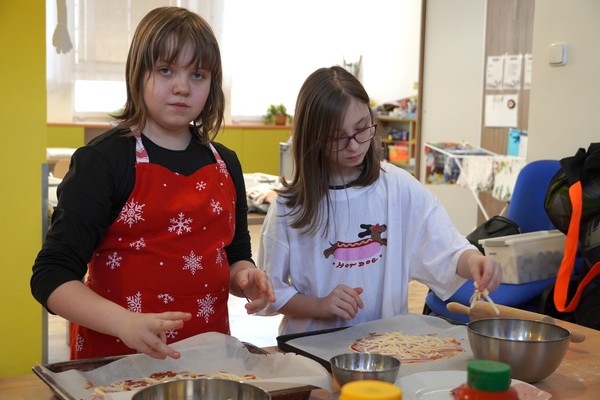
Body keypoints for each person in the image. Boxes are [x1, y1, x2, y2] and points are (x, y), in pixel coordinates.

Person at [31, 6, 274, 360]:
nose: (182, 87)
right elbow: (51, 276)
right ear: (137, 73)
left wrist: (245, 277)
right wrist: (124, 323)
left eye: (198, 74)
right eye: (165, 70)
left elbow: (235, 256)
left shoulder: (225, 162)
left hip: (208, 359)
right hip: (116, 362)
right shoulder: (104, 161)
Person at [257, 66, 502, 335]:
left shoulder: (398, 186)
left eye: (362, 128)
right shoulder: (289, 206)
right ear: (312, 137)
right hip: (309, 346)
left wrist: (474, 261)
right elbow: (271, 292)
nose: (354, 145)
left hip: (386, 344)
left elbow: (449, 251)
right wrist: (320, 305)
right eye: (338, 137)